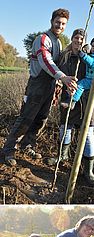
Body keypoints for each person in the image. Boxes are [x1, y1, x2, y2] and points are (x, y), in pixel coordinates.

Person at [2, 8, 78, 166]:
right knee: (26, 118)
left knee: (41, 119)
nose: (60, 26)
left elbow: (59, 61)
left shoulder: (58, 42)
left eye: (63, 24)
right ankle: (9, 149)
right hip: (37, 84)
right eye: (58, 22)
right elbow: (46, 62)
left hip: (50, 86)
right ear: (52, 21)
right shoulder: (42, 39)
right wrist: (62, 77)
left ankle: (27, 145)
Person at [55, 28, 94, 186]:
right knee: (65, 127)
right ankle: (62, 156)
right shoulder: (64, 56)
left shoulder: (93, 55)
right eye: (76, 38)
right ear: (72, 39)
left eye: (81, 39)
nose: (78, 41)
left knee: (88, 134)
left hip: (89, 100)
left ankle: (88, 171)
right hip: (69, 97)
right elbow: (57, 74)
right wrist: (60, 84)